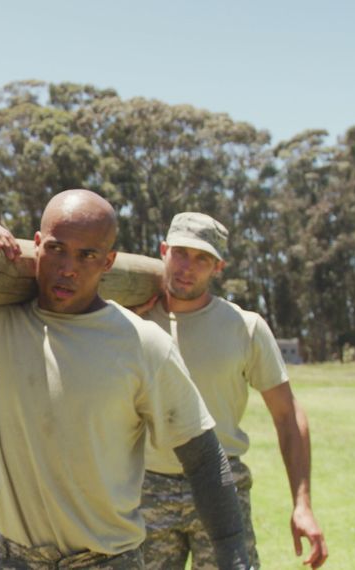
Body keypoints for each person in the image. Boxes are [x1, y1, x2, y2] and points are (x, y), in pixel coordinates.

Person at [0, 190, 249, 569]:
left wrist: (234, 554)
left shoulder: (143, 345)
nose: (68, 267)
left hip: (106, 561)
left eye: (87, 255)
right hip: (15, 559)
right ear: (37, 245)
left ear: (109, 262)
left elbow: (203, 458)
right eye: (56, 249)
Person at [137, 212, 328, 569]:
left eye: (202, 258)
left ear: (218, 267)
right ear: (163, 250)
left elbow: (288, 416)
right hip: (148, 489)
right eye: (180, 252)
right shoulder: (132, 321)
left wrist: (302, 503)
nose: (187, 267)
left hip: (222, 485)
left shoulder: (246, 327)